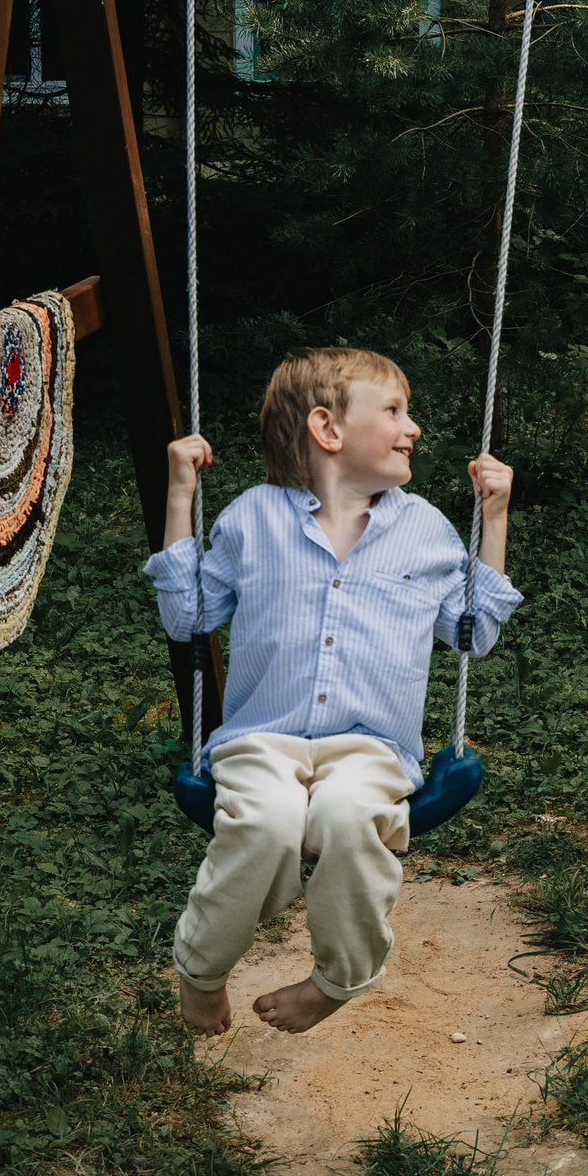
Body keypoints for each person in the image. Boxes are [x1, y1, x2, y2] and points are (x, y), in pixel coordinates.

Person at [148, 346, 520, 1037]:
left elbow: (473, 635)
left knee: (351, 820)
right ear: (328, 429)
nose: (412, 428)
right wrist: (179, 499)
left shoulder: (426, 531)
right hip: (261, 736)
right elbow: (186, 616)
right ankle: (202, 970)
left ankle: (337, 979)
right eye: (394, 411)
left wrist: (492, 522)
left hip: (371, 747)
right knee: (263, 823)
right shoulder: (251, 518)